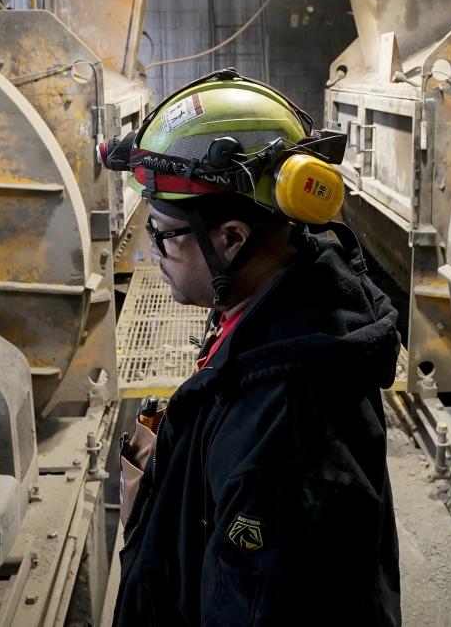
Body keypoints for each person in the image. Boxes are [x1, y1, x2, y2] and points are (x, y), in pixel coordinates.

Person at [98, 68, 401, 625]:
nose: (152, 255)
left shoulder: (287, 435)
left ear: (232, 238)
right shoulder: (274, 310)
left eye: (162, 234)